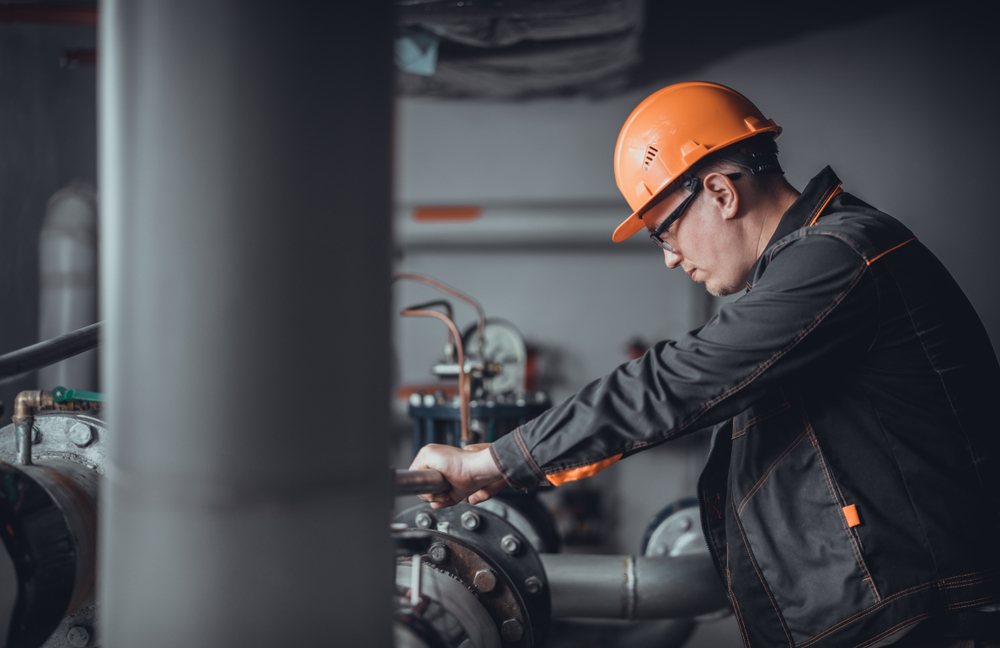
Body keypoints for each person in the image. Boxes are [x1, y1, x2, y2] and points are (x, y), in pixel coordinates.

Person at [409, 82, 1000, 648]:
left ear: (721, 192)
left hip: (918, 626)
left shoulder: (839, 256)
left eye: (665, 232)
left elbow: (671, 383)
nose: (670, 259)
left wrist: (492, 461)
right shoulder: (817, 271)